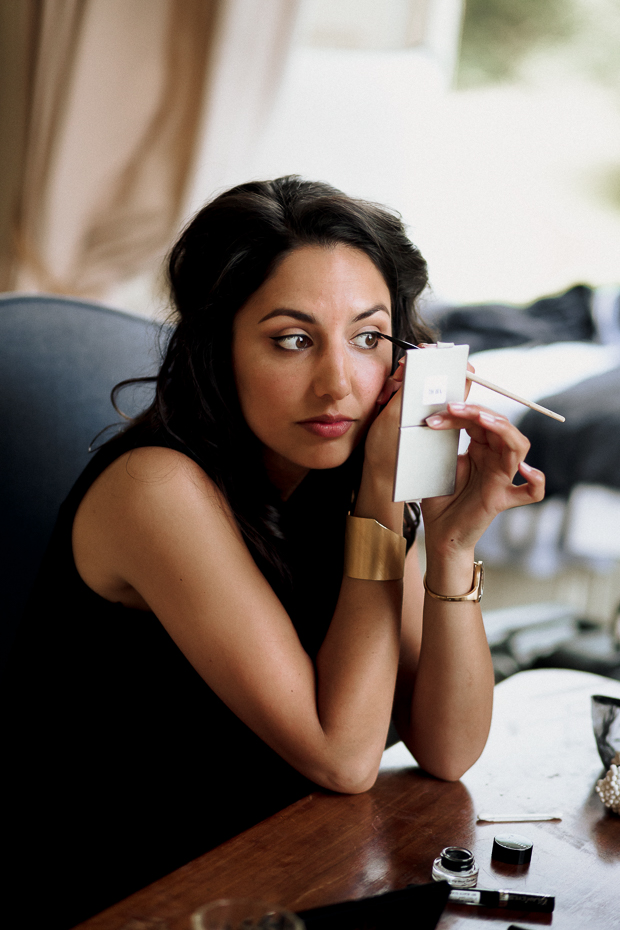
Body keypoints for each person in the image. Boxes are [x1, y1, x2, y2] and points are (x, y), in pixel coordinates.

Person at [2, 177, 544, 928]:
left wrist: (451, 546)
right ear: (219, 346)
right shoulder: (156, 489)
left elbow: (448, 749)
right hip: (120, 894)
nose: (337, 384)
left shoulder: (341, 475)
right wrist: (388, 494)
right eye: (292, 340)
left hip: (274, 868)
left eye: (367, 338)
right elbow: (343, 758)